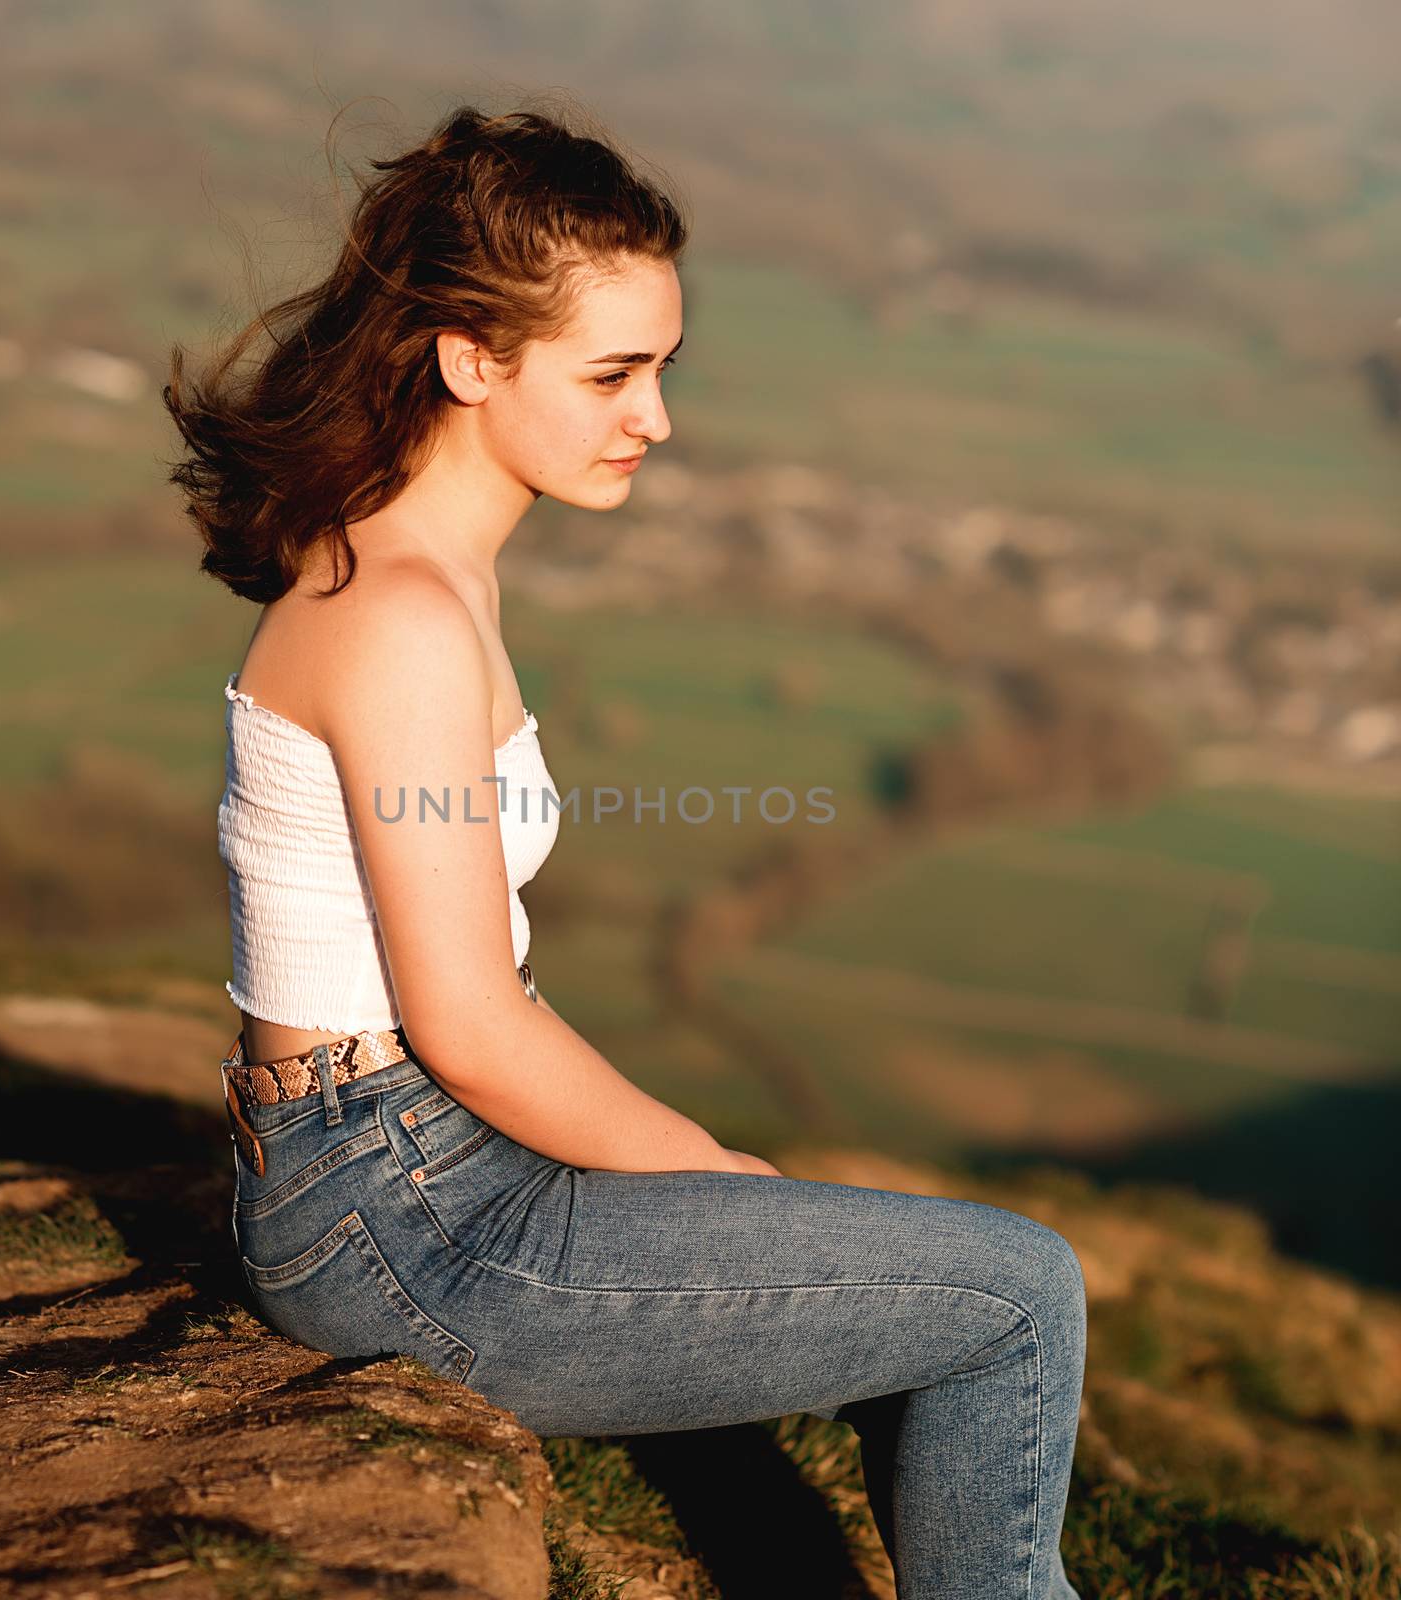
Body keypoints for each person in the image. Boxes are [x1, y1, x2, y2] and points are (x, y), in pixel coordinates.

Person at [163, 102, 1086, 1600]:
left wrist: (746, 1209)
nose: (652, 417)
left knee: (944, 1279)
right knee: (1021, 1294)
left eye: (659, 368)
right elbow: (467, 1023)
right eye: (612, 374)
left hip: (403, 1169)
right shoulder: (397, 618)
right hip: (396, 1211)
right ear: (470, 359)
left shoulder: (422, 576)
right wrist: (727, 1179)